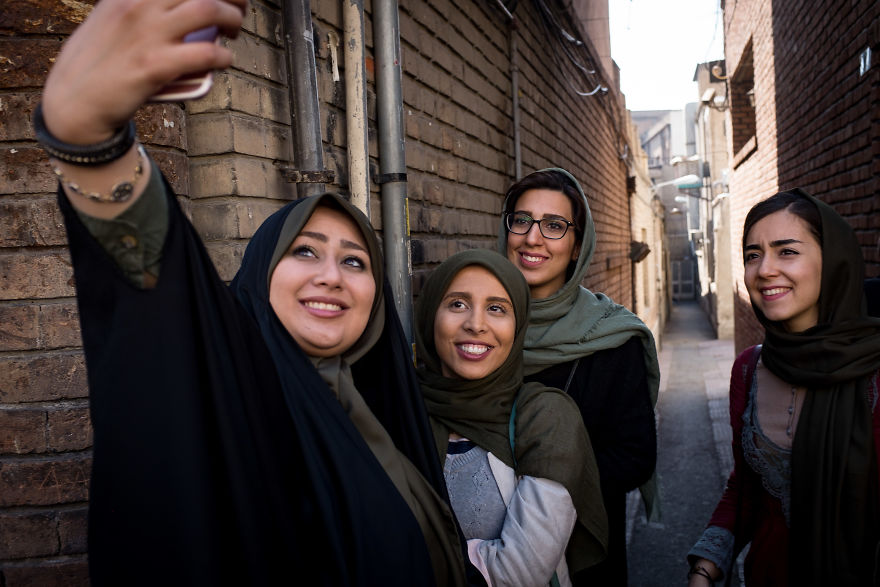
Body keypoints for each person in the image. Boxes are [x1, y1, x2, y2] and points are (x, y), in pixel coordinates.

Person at [36, 1, 471, 584]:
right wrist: (91, 147)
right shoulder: (244, 401)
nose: (332, 276)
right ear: (262, 275)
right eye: (305, 251)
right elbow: (164, 297)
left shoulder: (384, 407)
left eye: (355, 260)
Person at [687, 188, 880, 586]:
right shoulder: (748, 370)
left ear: (833, 260)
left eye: (787, 251)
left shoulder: (874, 370)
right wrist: (704, 567)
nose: (764, 270)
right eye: (752, 255)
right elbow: (745, 492)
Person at [497, 168, 661, 585]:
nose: (533, 238)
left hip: (583, 557)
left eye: (554, 226)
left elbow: (635, 457)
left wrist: (538, 483)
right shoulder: (481, 325)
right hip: (487, 552)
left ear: (577, 247)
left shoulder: (611, 338)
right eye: (521, 220)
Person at [414, 248, 609, 587]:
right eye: (457, 304)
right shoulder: (403, 415)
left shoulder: (545, 418)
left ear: (518, 326)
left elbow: (520, 572)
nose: (476, 324)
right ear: (431, 314)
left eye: (496, 308)